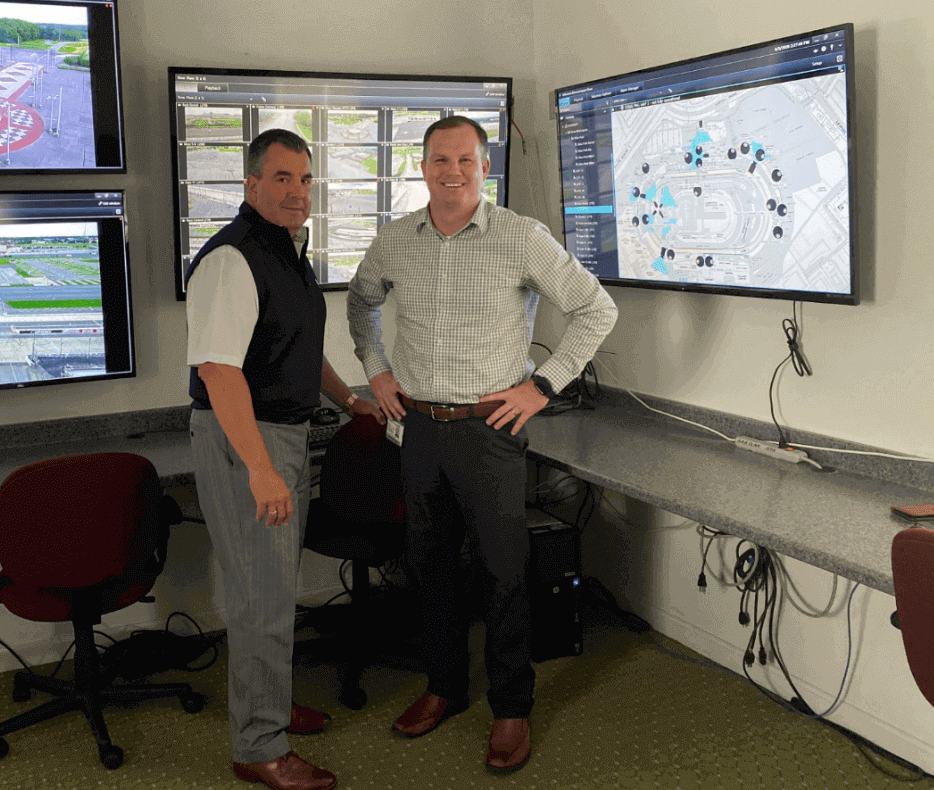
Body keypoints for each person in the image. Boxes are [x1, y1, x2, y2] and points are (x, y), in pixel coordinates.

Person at [346, 115, 617, 775]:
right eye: (440, 160)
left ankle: (511, 707)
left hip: (489, 431)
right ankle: (443, 685)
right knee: (429, 567)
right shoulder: (395, 240)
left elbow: (596, 309)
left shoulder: (520, 237)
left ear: (484, 167)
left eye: (465, 160)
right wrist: (376, 369)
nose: (452, 172)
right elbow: (359, 302)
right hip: (417, 428)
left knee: (503, 573)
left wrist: (542, 386)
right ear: (422, 167)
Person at [186, 128, 381, 790]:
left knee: (271, 591)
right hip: (248, 439)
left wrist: (348, 399)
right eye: (281, 178)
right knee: (260, 601)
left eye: (305, 180)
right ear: (250, 185)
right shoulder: (232, 258)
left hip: (281, 433)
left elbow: (297, 346)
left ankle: (266, 706)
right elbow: (218, 372)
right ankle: (259, 747)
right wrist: (261, 469)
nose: (298, 192)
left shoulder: (285, 252)